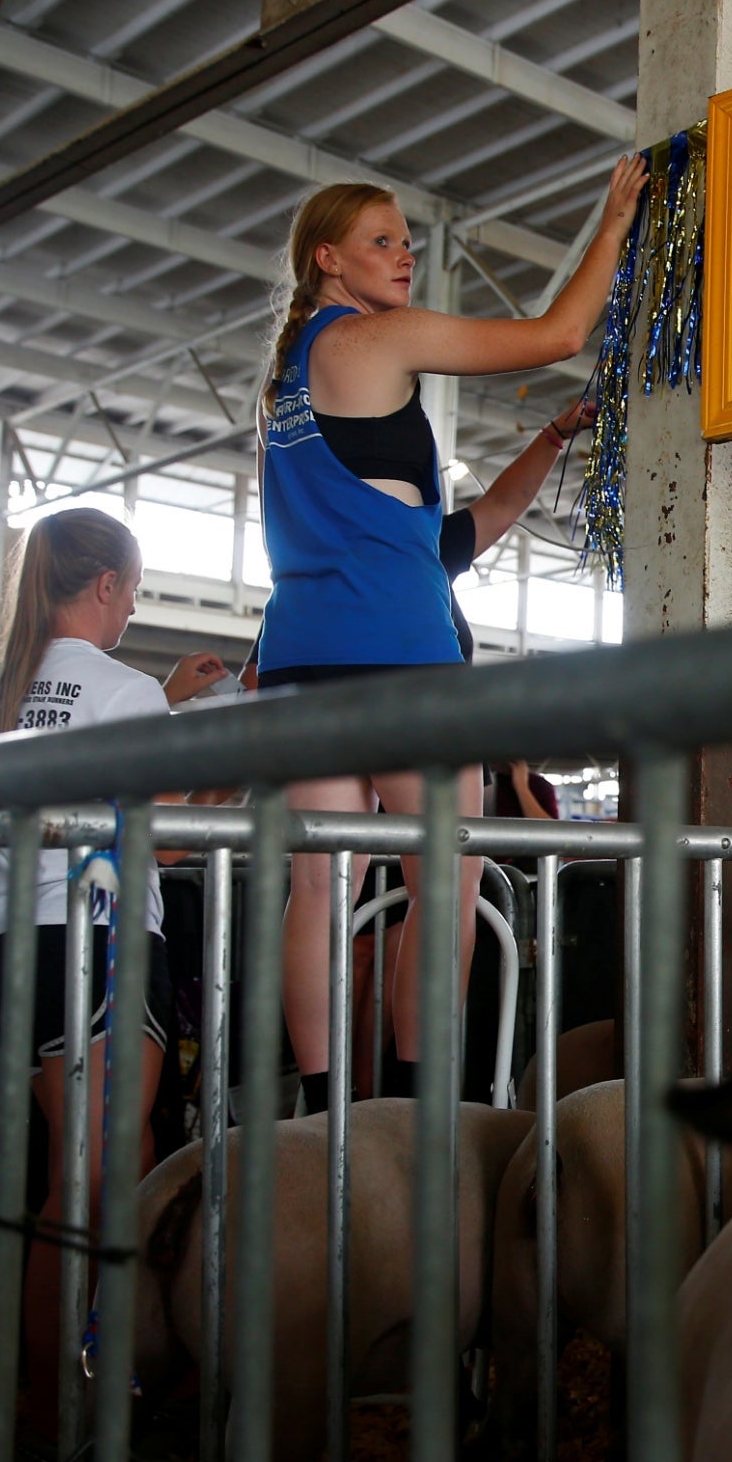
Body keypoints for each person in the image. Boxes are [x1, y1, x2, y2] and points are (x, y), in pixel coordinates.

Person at [258, 159, 642, 1112]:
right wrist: (617, 219)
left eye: (405, 236)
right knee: (444, 886)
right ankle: (422, 1097)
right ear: (328, 259)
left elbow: (462, 531)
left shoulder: (289, 391)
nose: (405, 252)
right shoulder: (375, 340)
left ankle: (321, 1104)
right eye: (382, 239)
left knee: (321, 889)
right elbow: (557, 333)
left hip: (302, 655)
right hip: (405, 660)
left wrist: (549, 442)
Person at [0, 505, 228, 1433]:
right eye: (134, 589)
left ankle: (72, 1390)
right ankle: (66, 1406)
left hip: (20, 947)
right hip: (104, 941)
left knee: (81, 1174)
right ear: (110, 587)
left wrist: (163, 697)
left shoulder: (2, 688)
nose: (130, 607)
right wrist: (222, 774)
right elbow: (153, 846)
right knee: (97, 1181)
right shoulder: (125, 693)